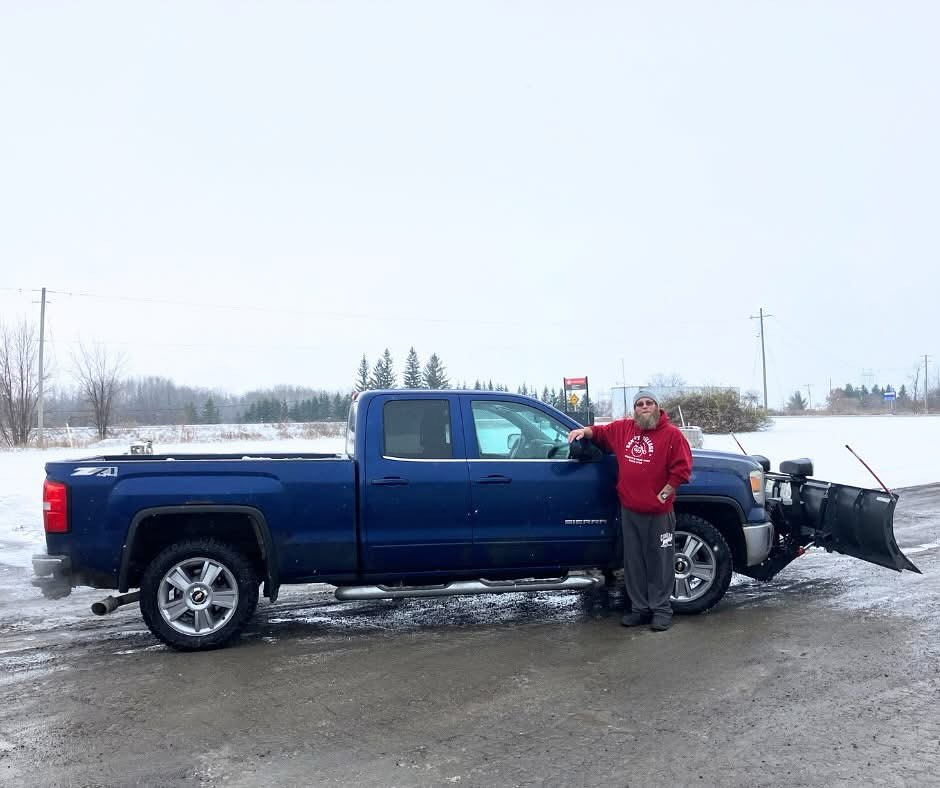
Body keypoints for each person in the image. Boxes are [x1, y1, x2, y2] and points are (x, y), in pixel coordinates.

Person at [567, 389, 692, 632]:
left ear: (657, 407)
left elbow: (682, 470)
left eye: (649, 403)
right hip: (630, 510)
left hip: (658, 512)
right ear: (634, 409)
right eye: (639, 404)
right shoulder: (624, 429)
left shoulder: (672, 435)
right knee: (634, 562)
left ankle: (661, 610)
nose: (644, 407)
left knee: (660, 561)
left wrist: (663, 495)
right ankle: (640, 609)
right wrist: (583, 431)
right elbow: (600, 432)